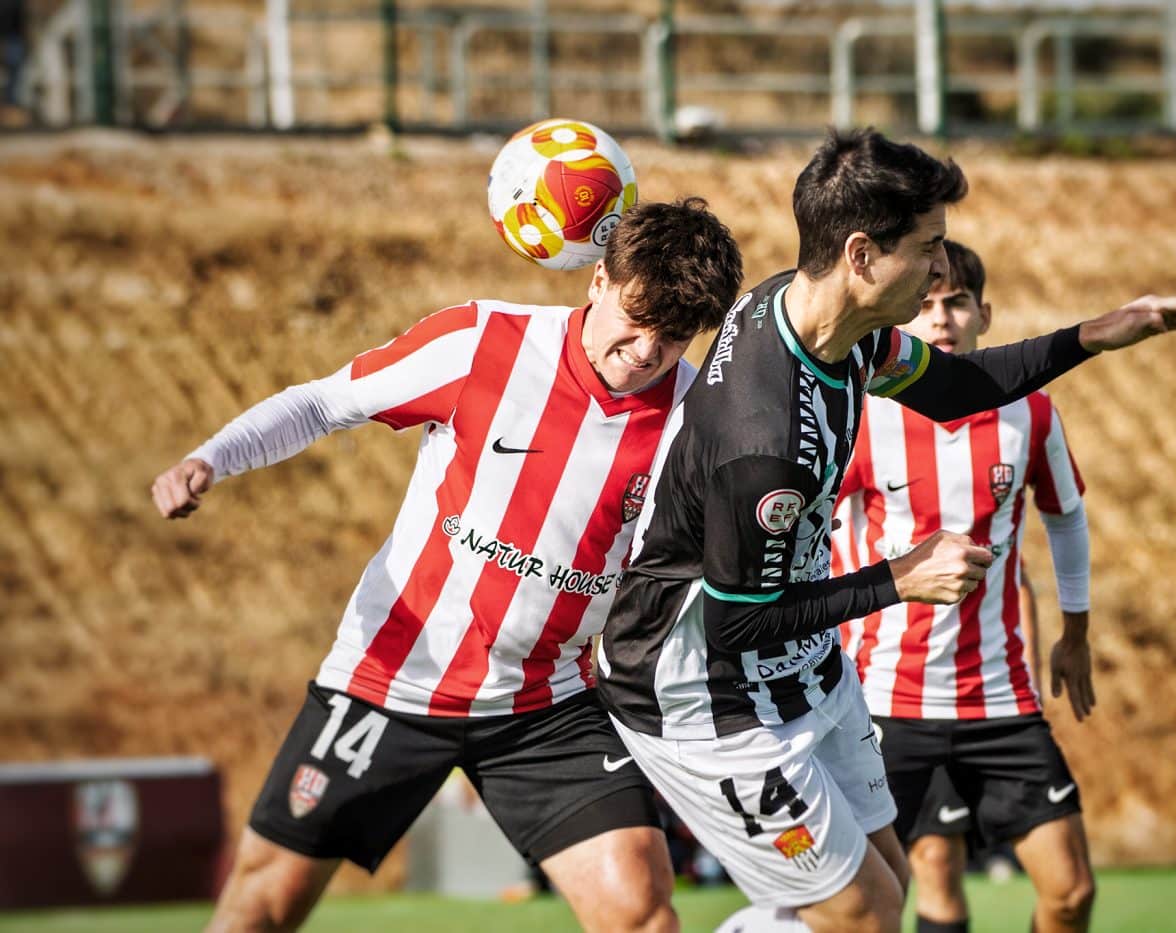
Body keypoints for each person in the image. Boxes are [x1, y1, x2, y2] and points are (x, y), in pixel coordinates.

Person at [595, 128, 1176, 933]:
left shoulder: (818, 318)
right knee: (863, 916)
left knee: (889, 889)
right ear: (861, 254)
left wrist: (1096, 334)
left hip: (802, 665)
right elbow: (736, 620)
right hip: (701, 692)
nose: (938, 269)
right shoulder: (766, 441)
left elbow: (956, 388)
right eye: (928, 249)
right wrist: (901, 577)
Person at [150, 198, 744, 933]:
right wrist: (211, 457)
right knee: (261, 906)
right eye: (636, 316)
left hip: (543, 704)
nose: (646, 349)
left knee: (640, 910)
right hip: (391, 679)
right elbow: (324, 403)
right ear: (597, 280)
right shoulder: (482, 342)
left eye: (674, 334)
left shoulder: (697, 418)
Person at [836, 240, 1097, 933]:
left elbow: (1065, 518)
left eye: (955, 302)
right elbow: (821, 551)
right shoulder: (863, 414)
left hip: (1002, 701)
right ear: (899, 319)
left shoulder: (1032, 413)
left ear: (985, 313)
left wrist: (1076, 630)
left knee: (1070, 891)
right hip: (885, 702)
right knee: (920, 890)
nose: (941, 318)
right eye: (923, 305)